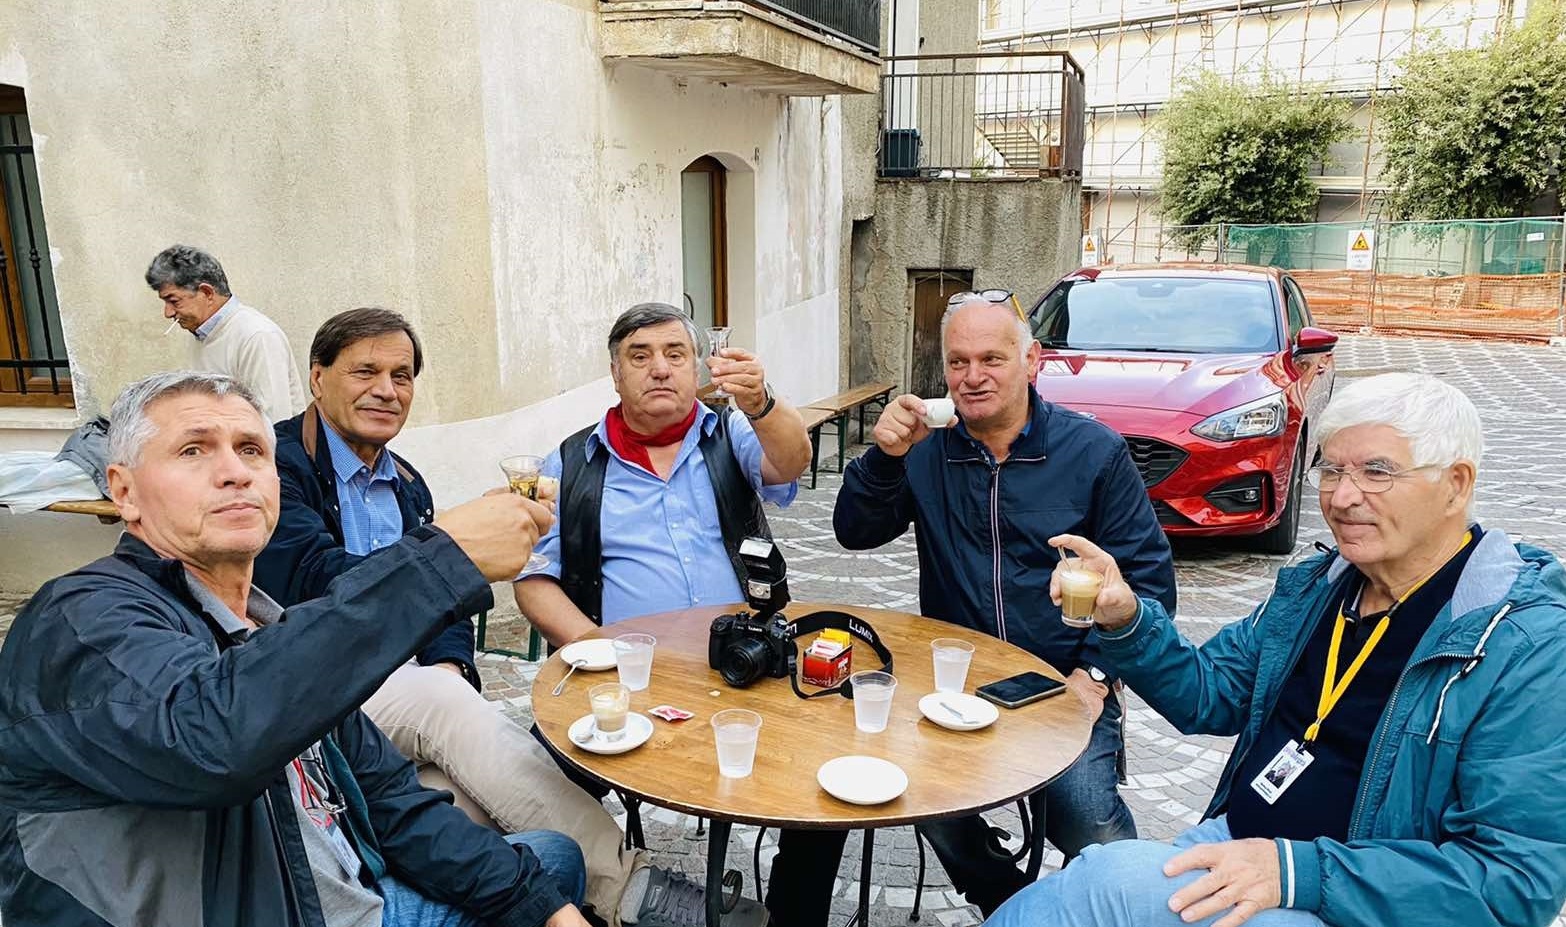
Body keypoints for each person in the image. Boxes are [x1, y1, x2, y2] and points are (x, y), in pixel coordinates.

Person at [0, 371, 589, 927]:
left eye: (251, 450)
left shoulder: (268, 625)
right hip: (263, 910)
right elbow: (214, 737)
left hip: (348, 893)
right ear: (124, 491)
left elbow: (390, 798)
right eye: (193, 450)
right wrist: (443, 558)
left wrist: (544, 907)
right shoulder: (80, 617)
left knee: (550, 866)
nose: (234, 472)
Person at [988, 372, 1566, 927]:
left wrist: (1296, 871)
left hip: (1350, 906)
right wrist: (1127, 619)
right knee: (1093, 884)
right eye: (1332, 470)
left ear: (1456, 484)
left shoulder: (1525, 645)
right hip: (1238, 846)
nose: (1343, 497)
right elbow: (1209, 695)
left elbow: (1514, 882)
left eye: (1377, 472)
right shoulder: (1320, 587)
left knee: (1101, 884)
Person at [252, 308, 698, 927]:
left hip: (401, 694)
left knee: (462, 801)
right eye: (365, 372)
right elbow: (311, 576)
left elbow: (447, 603)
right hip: (318, 687)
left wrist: (452, 666)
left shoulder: (406, 482)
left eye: (401, 376)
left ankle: (551, 903)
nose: (386, 390)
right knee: (443, 710)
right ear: (317, 377)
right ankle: (630, 887)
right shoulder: (277, 466)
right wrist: (450, 546)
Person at [833, 292, 1176, 916]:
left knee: (1087, 825)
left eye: (991, 358)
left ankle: (1132, 909)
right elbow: (854, 531)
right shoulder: (927, 450)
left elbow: (1150, 580)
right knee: (918, 792)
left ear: (1031, 360)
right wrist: (884, 458)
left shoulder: (1092, 451)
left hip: (1063, 681)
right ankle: (1009, 903)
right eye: (958, 362)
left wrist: (1095, 676)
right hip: (955, 680)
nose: (973, 376)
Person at [513, 302, 811, 926]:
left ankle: (790, 914)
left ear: (697, 366)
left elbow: (790, 464)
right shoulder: (571, 462)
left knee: (816, 780)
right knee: (530, 784)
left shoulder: (729, 433)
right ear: (615, 374)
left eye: (675, 354)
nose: (659, 369)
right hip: (625, 680)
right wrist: (597, 648)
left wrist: (761, 403)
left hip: (742, 665)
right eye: (640, 356)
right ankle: (599, 892)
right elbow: (534, 581)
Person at [146, 244, 306, 422]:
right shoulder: (200, 332)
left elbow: (273, 421)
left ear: (207, 293)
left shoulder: (257, 336)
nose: (168, 313)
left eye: (174, 301)